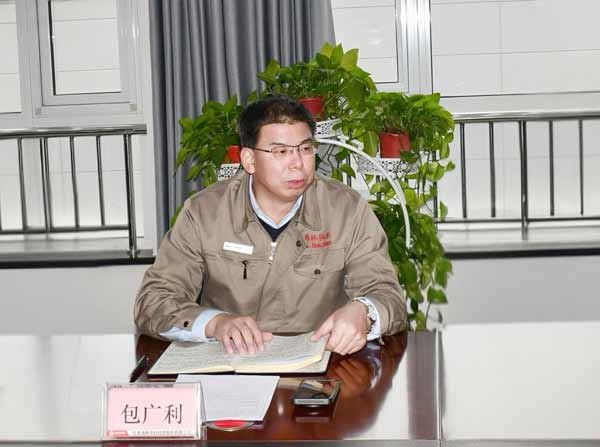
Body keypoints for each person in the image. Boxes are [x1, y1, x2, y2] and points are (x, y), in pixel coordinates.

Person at [134, 95, 406, 355]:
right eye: (281, 151)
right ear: (249, 160)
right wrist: (215, 323)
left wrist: (364, 312)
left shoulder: (346, 209)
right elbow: (153, 301)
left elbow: (388, 296)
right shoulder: (204, 213)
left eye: (305, 149)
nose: (297, 164)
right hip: (230, 363)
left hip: (322, 362)